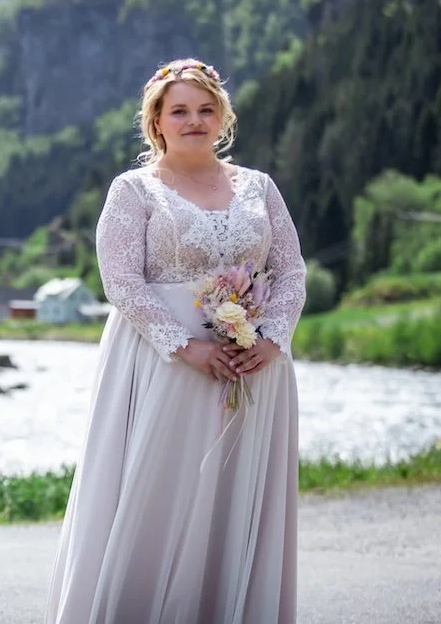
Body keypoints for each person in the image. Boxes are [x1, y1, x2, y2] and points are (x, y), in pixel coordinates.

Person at [42, 58, 306, 624]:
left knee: (233, 493)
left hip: (254, 362)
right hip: (161, 363)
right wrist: (185, 347)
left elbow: (291, 270)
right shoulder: (134, 190)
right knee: (161, 491)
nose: (194, 120)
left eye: (205, 109)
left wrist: (273, 339)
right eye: (179, 110)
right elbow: (120, 281)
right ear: (156, 121)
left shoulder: (259, 187)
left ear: (223, 117)